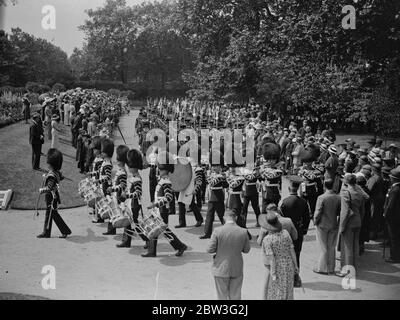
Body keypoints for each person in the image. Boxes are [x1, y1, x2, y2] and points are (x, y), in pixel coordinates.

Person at [144, 151, 188, 257]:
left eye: (162, 168)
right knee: (161, 230)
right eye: (160, 168)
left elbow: (169, 198)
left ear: (167, 170)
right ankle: (153, 250)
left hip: (162, 210)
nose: (159, 170)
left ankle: (179, 246)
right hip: (159, 209)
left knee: (160, 229)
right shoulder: (162, 180)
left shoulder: (166, 182)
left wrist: (155, 204)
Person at [206, 210, 250, 300]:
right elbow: (246, 250)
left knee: (221, 296)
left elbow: (209, 249)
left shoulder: (217, 231)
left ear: (224, 218)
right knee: (236, 296)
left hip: (220, 268)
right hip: (236, 268)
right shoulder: (243, 231)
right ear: (236, 218)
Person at [261, 211, 298, 300]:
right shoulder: (285, 233)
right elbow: (292, 250)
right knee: (288, 290)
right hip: (288, 265)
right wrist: (295, 265)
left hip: (277, 268)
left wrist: (273, 273)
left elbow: (272, 259)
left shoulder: (267, 239)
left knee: (276, 292)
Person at [337, 174, 368, 277]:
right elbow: (363, 210)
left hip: (348, 222)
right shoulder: (359, 192)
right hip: (358, 220)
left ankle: (347, 270)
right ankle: (353, 268)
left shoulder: (346, 193)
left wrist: (341, 226)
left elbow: (345, 212)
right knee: (355, 246)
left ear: (346, 182)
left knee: (347, 247)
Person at [37, 149, 71, 238]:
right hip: (54, 196)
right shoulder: (56, 172)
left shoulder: (52, 175)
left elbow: (49, 188)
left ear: (51, 163)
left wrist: (41, 190)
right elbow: (60, 177)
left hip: (51, 197)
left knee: (52, 214)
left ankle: (64, 231)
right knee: (51, 214)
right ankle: (47, 232)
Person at [118, 149, 149, 248]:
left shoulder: (137, 178)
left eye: (130, 166)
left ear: (134, 167)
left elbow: (138, 193)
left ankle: (147, 239)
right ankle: (126, 241)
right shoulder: (133, 176)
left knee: (136, 224)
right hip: (130, 203)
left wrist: (127, 195)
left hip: (135, 204)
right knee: (128, 222)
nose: (129, 168)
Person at [279, 176, 310, 269]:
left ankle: (287, 276)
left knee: (286, 253)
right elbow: (307, 218)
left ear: (289, 188)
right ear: (298, 188)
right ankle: (296, 277)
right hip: (298, 229)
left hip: (286, 230)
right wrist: (304, 230)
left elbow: (280, 218)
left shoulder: (284, 202)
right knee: (296, 253)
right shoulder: (303, 202)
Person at [313, 179, 341, 274]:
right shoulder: (338, 197)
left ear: (324, 186)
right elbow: (339, 211)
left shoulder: (321, 197)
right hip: (333, 223)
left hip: (322, 224)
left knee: (323, 247)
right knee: (331, 246)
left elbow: (318, 212)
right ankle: (331, 268)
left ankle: (322, 268)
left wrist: (315, 221)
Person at [200, 150, 228, 239]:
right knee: (209, 216)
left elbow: (225, 185)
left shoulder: (222, 175)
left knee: (222, 216)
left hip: (219, 197)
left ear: (220, 166)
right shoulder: (211, 175)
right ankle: (207, 233)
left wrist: (223, 178)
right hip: (212, 197)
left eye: (217, 166)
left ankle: (229, 231)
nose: (214, 168)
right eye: (213, 166)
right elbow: (208, 183)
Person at [384, 168, 400, 263]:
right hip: (396, 216)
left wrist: (386, 214)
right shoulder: (395, 188)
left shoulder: (395, 190)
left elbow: (391, 205)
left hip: (393, 217)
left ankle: (394, 256)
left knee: (393, 237)